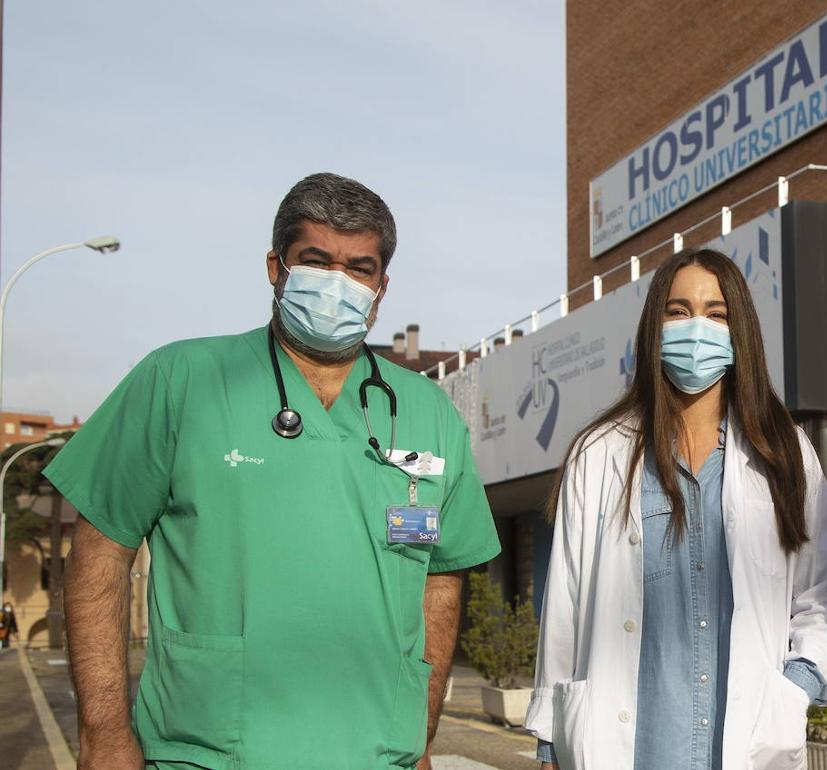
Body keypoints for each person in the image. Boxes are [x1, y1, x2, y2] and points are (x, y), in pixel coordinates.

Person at [46, 172, 501, 770]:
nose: (338, 284)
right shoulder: (182, 380)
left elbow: (441, 581)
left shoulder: (427, 411)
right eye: (316, 261)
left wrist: (423, 735)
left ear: (382, 286)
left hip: (377, 752)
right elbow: (100, 553)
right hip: (210, 750)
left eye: (359, 269)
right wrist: (104, 735)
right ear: (275, 267)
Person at [526, 248, 827, 770]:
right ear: (654, 328)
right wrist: (548, 738)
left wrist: (797, 685)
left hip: (748, 745)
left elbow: (825, 589)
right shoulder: (600, 452)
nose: (696, 327)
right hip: (628, 749)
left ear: (739, 332)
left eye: (716, 314)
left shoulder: (783, 452)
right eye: (678, 311)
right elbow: (565, 602)